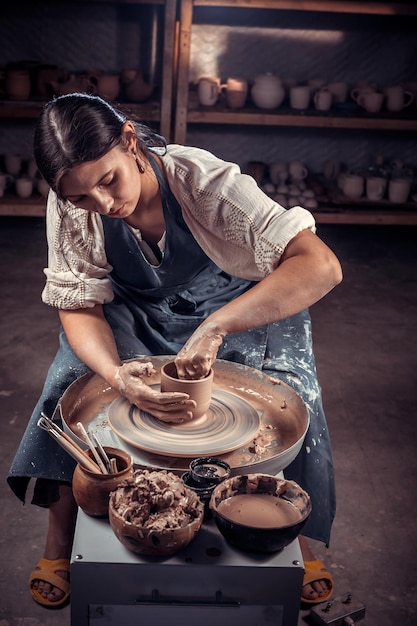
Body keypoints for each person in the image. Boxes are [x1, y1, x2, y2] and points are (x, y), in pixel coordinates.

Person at [7, 93, 342, 608]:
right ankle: (61, 536)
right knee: (70, 385)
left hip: (235, 303)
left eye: (108, 181)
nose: (102, 204)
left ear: (130, 141)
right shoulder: (71, 203)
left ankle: (279, 528)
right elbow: (77, 306)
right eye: (80, 198)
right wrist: (118, 377)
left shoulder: (205, 182)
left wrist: (215, 327)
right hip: (135, 304)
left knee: (285, 394)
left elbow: (320, 265)